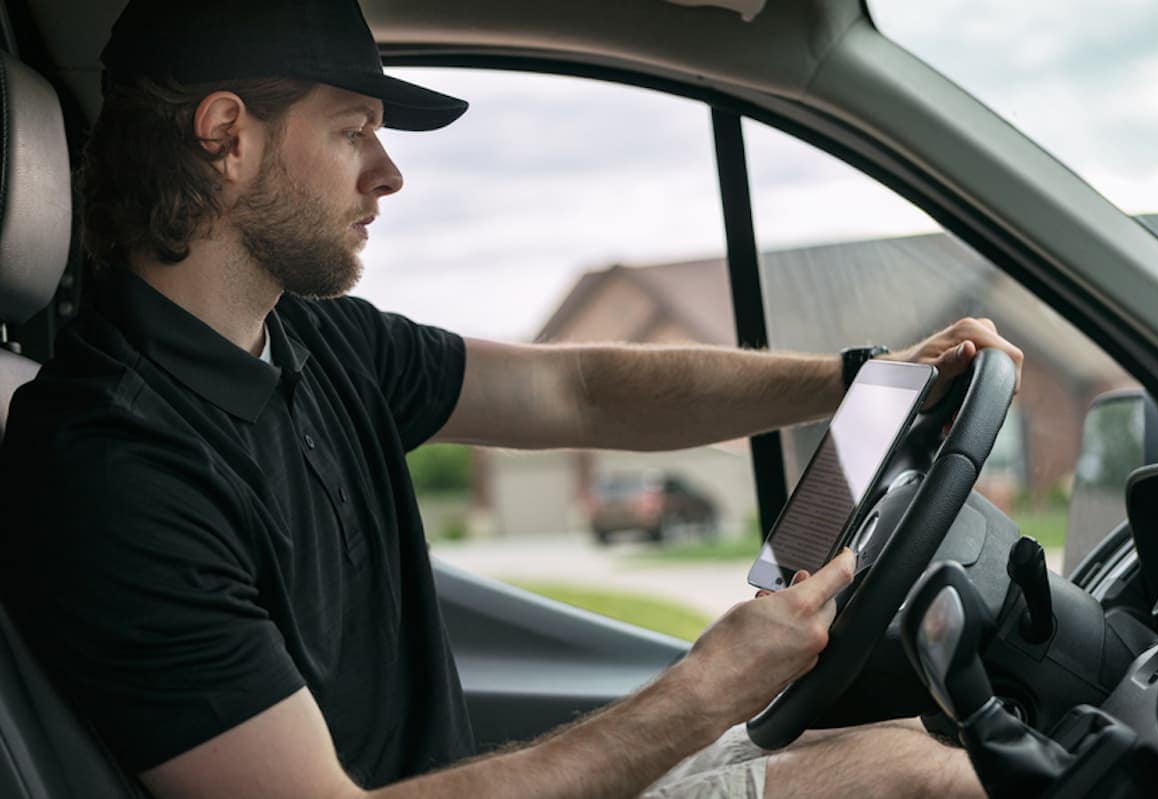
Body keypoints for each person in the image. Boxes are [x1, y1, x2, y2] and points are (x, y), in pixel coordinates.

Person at [0, 1, 1024, 797]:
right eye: (354, 129)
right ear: (226, 134)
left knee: (916, 741)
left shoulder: (314, 338)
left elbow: (576, 389)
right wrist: (711, 682)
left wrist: (861, 378)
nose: (388, 172)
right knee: (921, 779)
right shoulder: (109, 464)